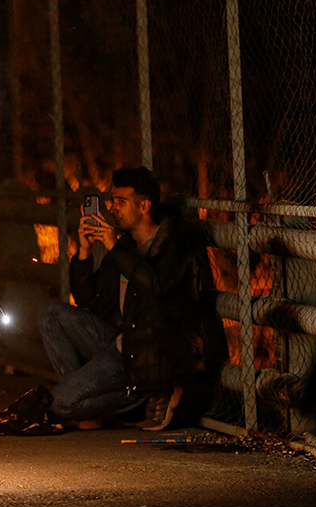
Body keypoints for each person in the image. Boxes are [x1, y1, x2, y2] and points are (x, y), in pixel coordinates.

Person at [40, 167, 222, 431]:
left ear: (144, 206)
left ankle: (137, 399)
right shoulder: (126, 245)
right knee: (52, 314)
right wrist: (84, 251)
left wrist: (113, 248)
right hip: (124, 343)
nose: (112, 208)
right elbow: (90, 300)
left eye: (121, 202)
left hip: (154, 352)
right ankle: (91, 407)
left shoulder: (177, 243)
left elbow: (158, 285)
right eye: (112, 201)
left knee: (60, 403)